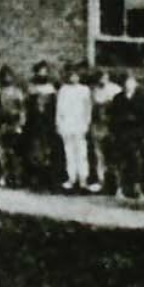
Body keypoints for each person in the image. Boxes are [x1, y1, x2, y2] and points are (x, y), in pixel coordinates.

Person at [109, 72, 144, 200]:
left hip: (136, 135)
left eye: (131, 83)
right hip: (121, 135)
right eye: (126, 83)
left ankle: (137, 190)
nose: (128, 85)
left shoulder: (142, 98)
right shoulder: (118, 98)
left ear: (135, 84)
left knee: (137, 163)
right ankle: (120, 190)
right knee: (120, 163)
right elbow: (113, 117)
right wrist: (114, 132)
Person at [55, 64, 93, 192]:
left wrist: (86, 123)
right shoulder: (63, 90)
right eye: (72, 76)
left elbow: (88, 108)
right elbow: (59, 109)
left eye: (76, 76)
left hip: (79, 124)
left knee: (81, 152)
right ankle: (72, 179)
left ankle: (83, 179)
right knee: (69, 152)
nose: (74, 78)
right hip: (67, 124)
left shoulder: (84, 89)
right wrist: (59, 124)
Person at [0, 65, 27, 187]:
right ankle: (6, 176)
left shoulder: (17, 92)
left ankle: (18, 177)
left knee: (15, 152)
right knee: (5, 152)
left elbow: (22, 109)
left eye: (9, 76)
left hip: (15, 124)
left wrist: (20, 124)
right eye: (5, 76)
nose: (7, 79)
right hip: (4, 125)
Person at [24, 61, 58, 188]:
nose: (43, 74)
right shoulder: (31, 87)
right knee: (34, 149)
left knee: (48, 149)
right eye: (40, 71)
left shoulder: (51, 88)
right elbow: (27, 105)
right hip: (34, 122)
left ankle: (47, 179)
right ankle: (34, 178)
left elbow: (54, 107)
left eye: (45, 71)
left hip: (47, 122)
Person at [90, 69, 122, 192]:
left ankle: (116, 184)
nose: (102, 79)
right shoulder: (94, 91)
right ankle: (101, 181)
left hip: (111, 127)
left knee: (113, 155)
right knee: (99, 155)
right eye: (100, 77)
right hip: (98, 126)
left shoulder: (115, 89)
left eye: (105, 77)